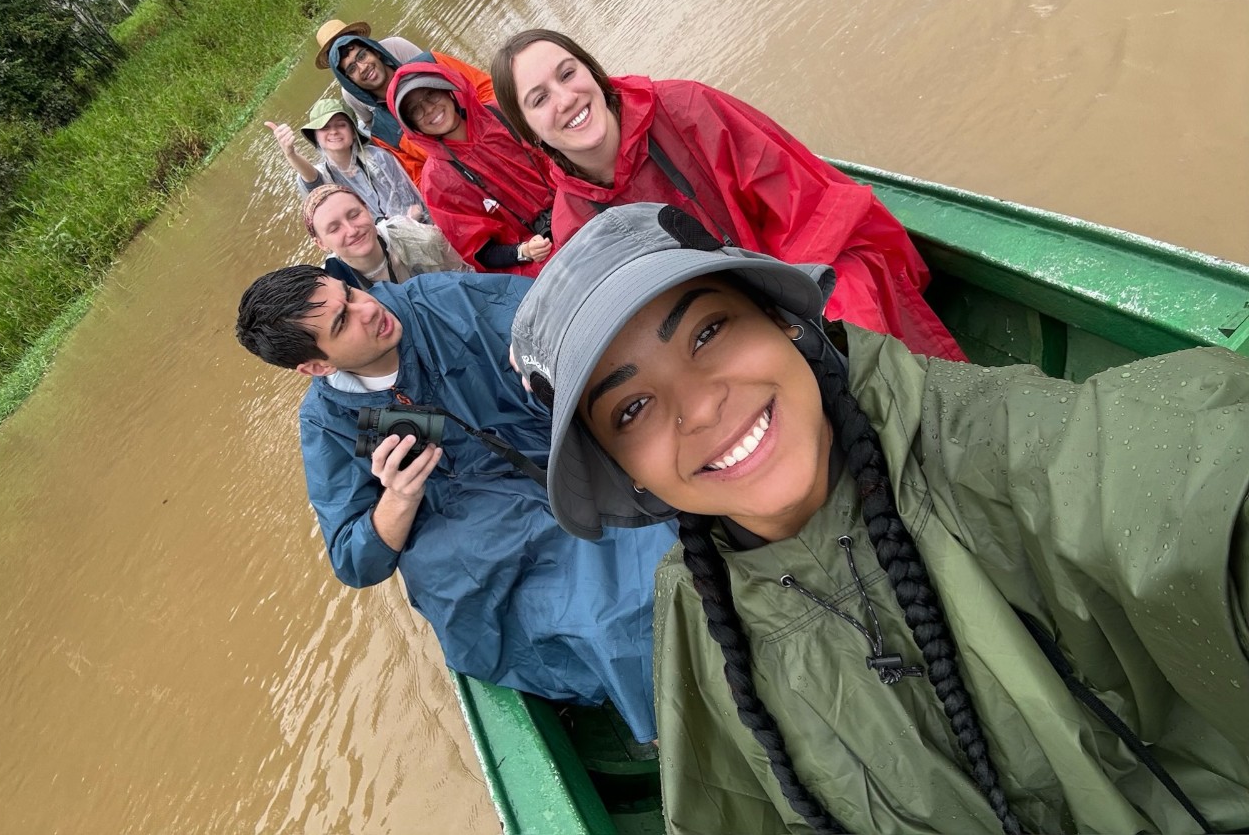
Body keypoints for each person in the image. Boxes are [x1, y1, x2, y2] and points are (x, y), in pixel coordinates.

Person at [509, 203, 1249, 835]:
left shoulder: (983, 441)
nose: (700, 405)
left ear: (785, 322)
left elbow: (1189, 482)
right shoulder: (694, 612)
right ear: (628, 475)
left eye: (708, 332)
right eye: (632, 408)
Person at [234, 266, 678, 743]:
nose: (369, 309)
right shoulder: (331, 423)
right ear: (318, 366)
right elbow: (353, 561)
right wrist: (399, 498)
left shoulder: (448, 301)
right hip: (472, 527)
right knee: (590, 619)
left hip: (557, 454)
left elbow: (568, 312)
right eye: (343, 322)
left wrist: (544, 352)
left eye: (350, 292)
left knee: (654, 566)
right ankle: (654, 709)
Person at [492, 29, 966, 362]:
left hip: (803, 266)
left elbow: (804, 205)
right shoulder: (575, 228)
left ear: (593, 73)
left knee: (850, 319)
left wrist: (786, 307)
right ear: (530, 132)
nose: (566, 98)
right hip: (715, 334)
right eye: (539, 98)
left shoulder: (687, 108)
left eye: (568, 73)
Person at [391, 61, 555, 275]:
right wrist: (523, 251)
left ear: (448, 91)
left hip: (571, 201)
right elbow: (480, 251)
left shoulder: (500, 111)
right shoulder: (436, 181)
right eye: (416, 110)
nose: (429, 109)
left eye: (431, 94)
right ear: (413, 126)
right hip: (534, 252)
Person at [317, 19, 493, 188]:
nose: (362, 67)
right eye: (351, 69)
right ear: (349, 81)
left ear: (373, 49)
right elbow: (421, 179)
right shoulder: (380, 129)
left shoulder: (426, 60)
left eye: (362, 56)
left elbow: (485, 88)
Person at [264, 97, 426, 221]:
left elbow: (412, 201)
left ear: (353, 132)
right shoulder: (325, 177)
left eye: (341, 125)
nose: (333, 131)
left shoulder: (378, 157)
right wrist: (291, 154)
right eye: (325, 127)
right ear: (316, 137)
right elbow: (312, 179)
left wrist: (407, 223)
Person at [302, 184, 468, 288]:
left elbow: (465, 280)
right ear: (321, 243)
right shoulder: (330, 285)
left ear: (367, 209)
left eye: (354, 215)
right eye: (334, 228)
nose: (352, 230)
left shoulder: (415, 237)